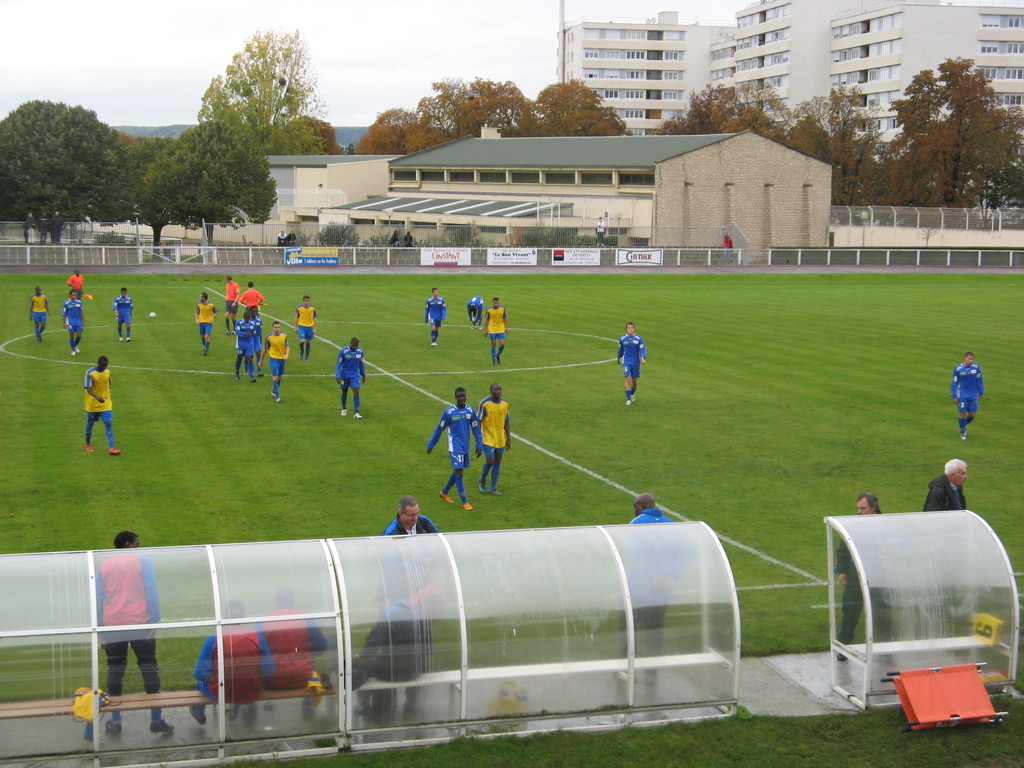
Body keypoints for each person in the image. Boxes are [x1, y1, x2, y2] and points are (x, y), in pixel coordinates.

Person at [95, 530, 173, 735]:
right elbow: (151, 589)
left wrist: (99, 628)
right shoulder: (142, 561)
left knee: (115, 669)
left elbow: (99, 597)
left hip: (113, 624)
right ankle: (156, 720)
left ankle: (116, 720)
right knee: (149, 668)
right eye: (137, 544)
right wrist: (154, 620)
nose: (139, 547)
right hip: (140, 622)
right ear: (128, 544)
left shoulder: (103, 565)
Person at [189, 600, 275, 726]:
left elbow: (200, 674)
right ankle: (241, 710)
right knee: (242, 678)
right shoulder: (258, 636)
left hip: (221, 692)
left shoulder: (214, 638)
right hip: (251, 691)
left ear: (224, 617)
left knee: (200, 683)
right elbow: (269, 671)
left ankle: (198, 712)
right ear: (245, 616)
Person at [834, 492, 882, 660]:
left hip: (878, 575)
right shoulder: (853, 524)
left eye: (863, 508)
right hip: (856, 576)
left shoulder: (885, 524)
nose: (859, 512)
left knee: (881, 613)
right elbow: (843, 548)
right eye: (858, 508)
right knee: (850, 611)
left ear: (874, 508)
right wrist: (842, 570)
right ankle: (844, 648)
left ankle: (882, 648)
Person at [259, 587, 328, 698]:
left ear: (276, 600)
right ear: (292, 599)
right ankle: (308, 708)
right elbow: (321, 646)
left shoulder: (263, 620)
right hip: (303, 678)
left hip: (272, 681)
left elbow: (257, 651)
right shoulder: (304, 617)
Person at [427, 387, 483, 511]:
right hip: (455, 446)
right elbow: (439, 429)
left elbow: (476, 428)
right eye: (460, 397)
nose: (462, 399)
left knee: (459, 470)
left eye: (464, 396)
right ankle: (465, 502)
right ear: (456, 397)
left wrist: (479, 444)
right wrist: (431, 444)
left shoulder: (470, 410)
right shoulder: (449, 412)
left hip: (465, 446)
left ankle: (444, 492)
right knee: (459, 472)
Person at [477, 382, 511, 496]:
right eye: (496, 389)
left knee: (497, 461)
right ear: (491, 391)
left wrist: (508, 438)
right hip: (487, 437)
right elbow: (479, 420)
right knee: (490, 461)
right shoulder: (485, 403)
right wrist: (478, 439)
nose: (498, 391)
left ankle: (493, 488)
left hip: (500, 438)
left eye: (500, 389)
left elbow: (507, 421)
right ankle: (482, 479)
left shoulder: (505, 404)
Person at [84, 355, 120, 455]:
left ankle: (112, 448)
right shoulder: (90, 373)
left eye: (106, 366)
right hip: (93, 404)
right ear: (99, 363)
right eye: (103, 366)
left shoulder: (108, 372)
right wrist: (97, 397)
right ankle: (88, 444)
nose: (104, 368)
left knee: (108, 423)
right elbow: (88, 387)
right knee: (90, 424)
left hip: (106, 403)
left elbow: (108, 384)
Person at [951, 351, 984, 440]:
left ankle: (963, 424)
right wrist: (954, 395)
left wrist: (981, 392)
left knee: (973, 414)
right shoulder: (958, 369)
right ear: (964, 358)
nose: (971, 360)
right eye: (969, 359)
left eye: (972, 359)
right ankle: (963, 431)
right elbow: (954, 382)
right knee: (962, 413)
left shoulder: (976, 367)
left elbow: (980, 379)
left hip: (973, 394)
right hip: (962, 395)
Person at [335, 336, 366, 418]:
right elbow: (339, 364)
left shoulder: (360, 351)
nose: (354, 347)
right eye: (353, 345)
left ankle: (356, 413)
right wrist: (338, 376)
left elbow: (361, 363)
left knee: (356, 391)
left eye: (356, 346)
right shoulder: (343, 351)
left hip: (355, 375)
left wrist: (363, 374)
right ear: (350, 344)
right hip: (344, 375)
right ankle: (344, 408)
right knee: (344, 391)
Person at [617, 322, 646, 405]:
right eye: (629, 328)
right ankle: (628, 399)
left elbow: (642, 349)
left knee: (634, 381)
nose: (630, 329)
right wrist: (618, 358)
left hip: (636, 362)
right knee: (627, 377)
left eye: (632, 328)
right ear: (626, 329)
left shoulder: (638, 338)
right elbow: (620, 350)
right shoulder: (623, 339)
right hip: (626, 361)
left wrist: (643, 358)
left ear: (634, 329)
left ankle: (632, 394)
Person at [260, 320, 289, 403]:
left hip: (281, 359)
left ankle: (273, 391)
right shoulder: (269, 337)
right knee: (275, 377)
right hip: (273, 359)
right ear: (272, 327)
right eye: (276, 327)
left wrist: (286, 355)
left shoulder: (284, 336)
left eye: (278, 327)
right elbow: (265, 350)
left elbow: (287, 346)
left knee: (280, 377)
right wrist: (260, 361)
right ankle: (278, 396)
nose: (277, 329)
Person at [233, 308, 259, 382]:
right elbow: (237, 331)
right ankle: (237, 373)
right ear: (244, 317)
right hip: (240, 344)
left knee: (250, 359)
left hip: (249, 344)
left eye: (249, 318)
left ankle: (252, 377)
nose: (248, 319)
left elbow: (254, 334)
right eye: (247, 318)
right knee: (239, 358)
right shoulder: (239, 323)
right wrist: (244, 333)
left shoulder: (252, 324)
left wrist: (255, 344)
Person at [483, 296, 508, 364]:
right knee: (493, 344)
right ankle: (493, 360)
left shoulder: (502, 308)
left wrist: (507, 328)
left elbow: (505, 318)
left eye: (497, 302)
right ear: (492, 302)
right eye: (495, 303)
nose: (496, 304)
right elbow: (486, 321)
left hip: (501, 328)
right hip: (492, 329)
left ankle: (497, 355)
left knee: (502, 344)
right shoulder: (489, 310)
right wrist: (485, 330)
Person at [294, 295, 317, 362]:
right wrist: (295, 327)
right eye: (305, 301)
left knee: (308, 343)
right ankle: (301, 352)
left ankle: (306, 357)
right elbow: (296, 318)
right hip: (302, 327)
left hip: (309, 327)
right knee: (301, 342)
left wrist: (314, 328)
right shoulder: (299, 308)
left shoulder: (312, 308)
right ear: (303, 301)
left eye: (308, 301)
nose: (307, 302)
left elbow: (314, 318)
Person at [62, 288, 84, 355]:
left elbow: (81, 312)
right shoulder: (66, 303)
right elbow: (65, 313)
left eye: (76, 295)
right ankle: (73, 350)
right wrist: (64, 323)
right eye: (74, 295)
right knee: (71, 336)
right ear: (70, 295)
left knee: (79, 335)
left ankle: (75, 345)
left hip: (78, 321)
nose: (75, 296)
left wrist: (83, 321)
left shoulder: (79, 302)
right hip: (70, 321)